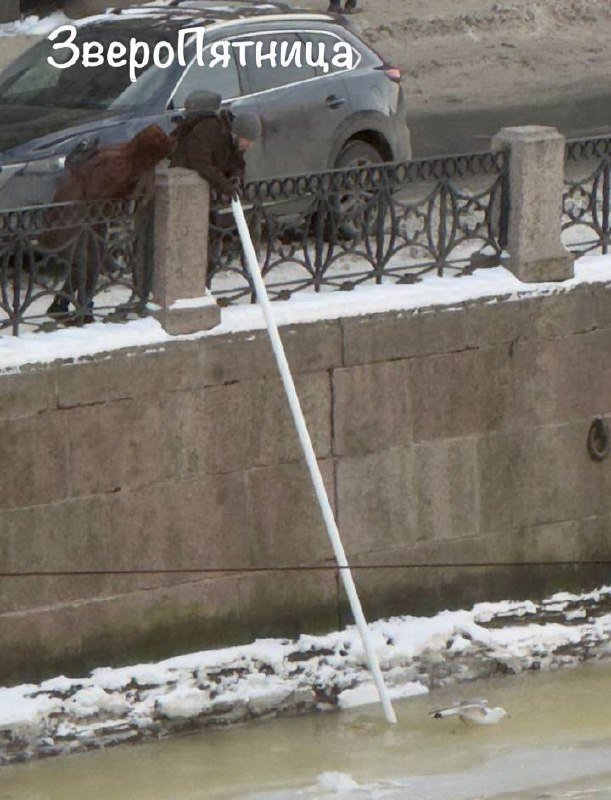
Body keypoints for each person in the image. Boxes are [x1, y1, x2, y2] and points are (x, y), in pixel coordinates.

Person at [43, 124, 174, 321]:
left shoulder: (121, 155)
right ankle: (81, 308)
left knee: (86, 262)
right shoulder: (120, 163)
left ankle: (66, 305)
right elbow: (98, 193)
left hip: (85, 215)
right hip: (80, 215)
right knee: (88, 262)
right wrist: (126, 191)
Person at [169, 91, 261, 201]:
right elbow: (201, 163)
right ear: (237, 133)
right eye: (248, 140)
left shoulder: (236, 143)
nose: (249, 146)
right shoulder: (209, 130)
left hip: (204, 187)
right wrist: (224, 185)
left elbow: (238, 164)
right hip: (183, 180)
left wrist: (236, 178)